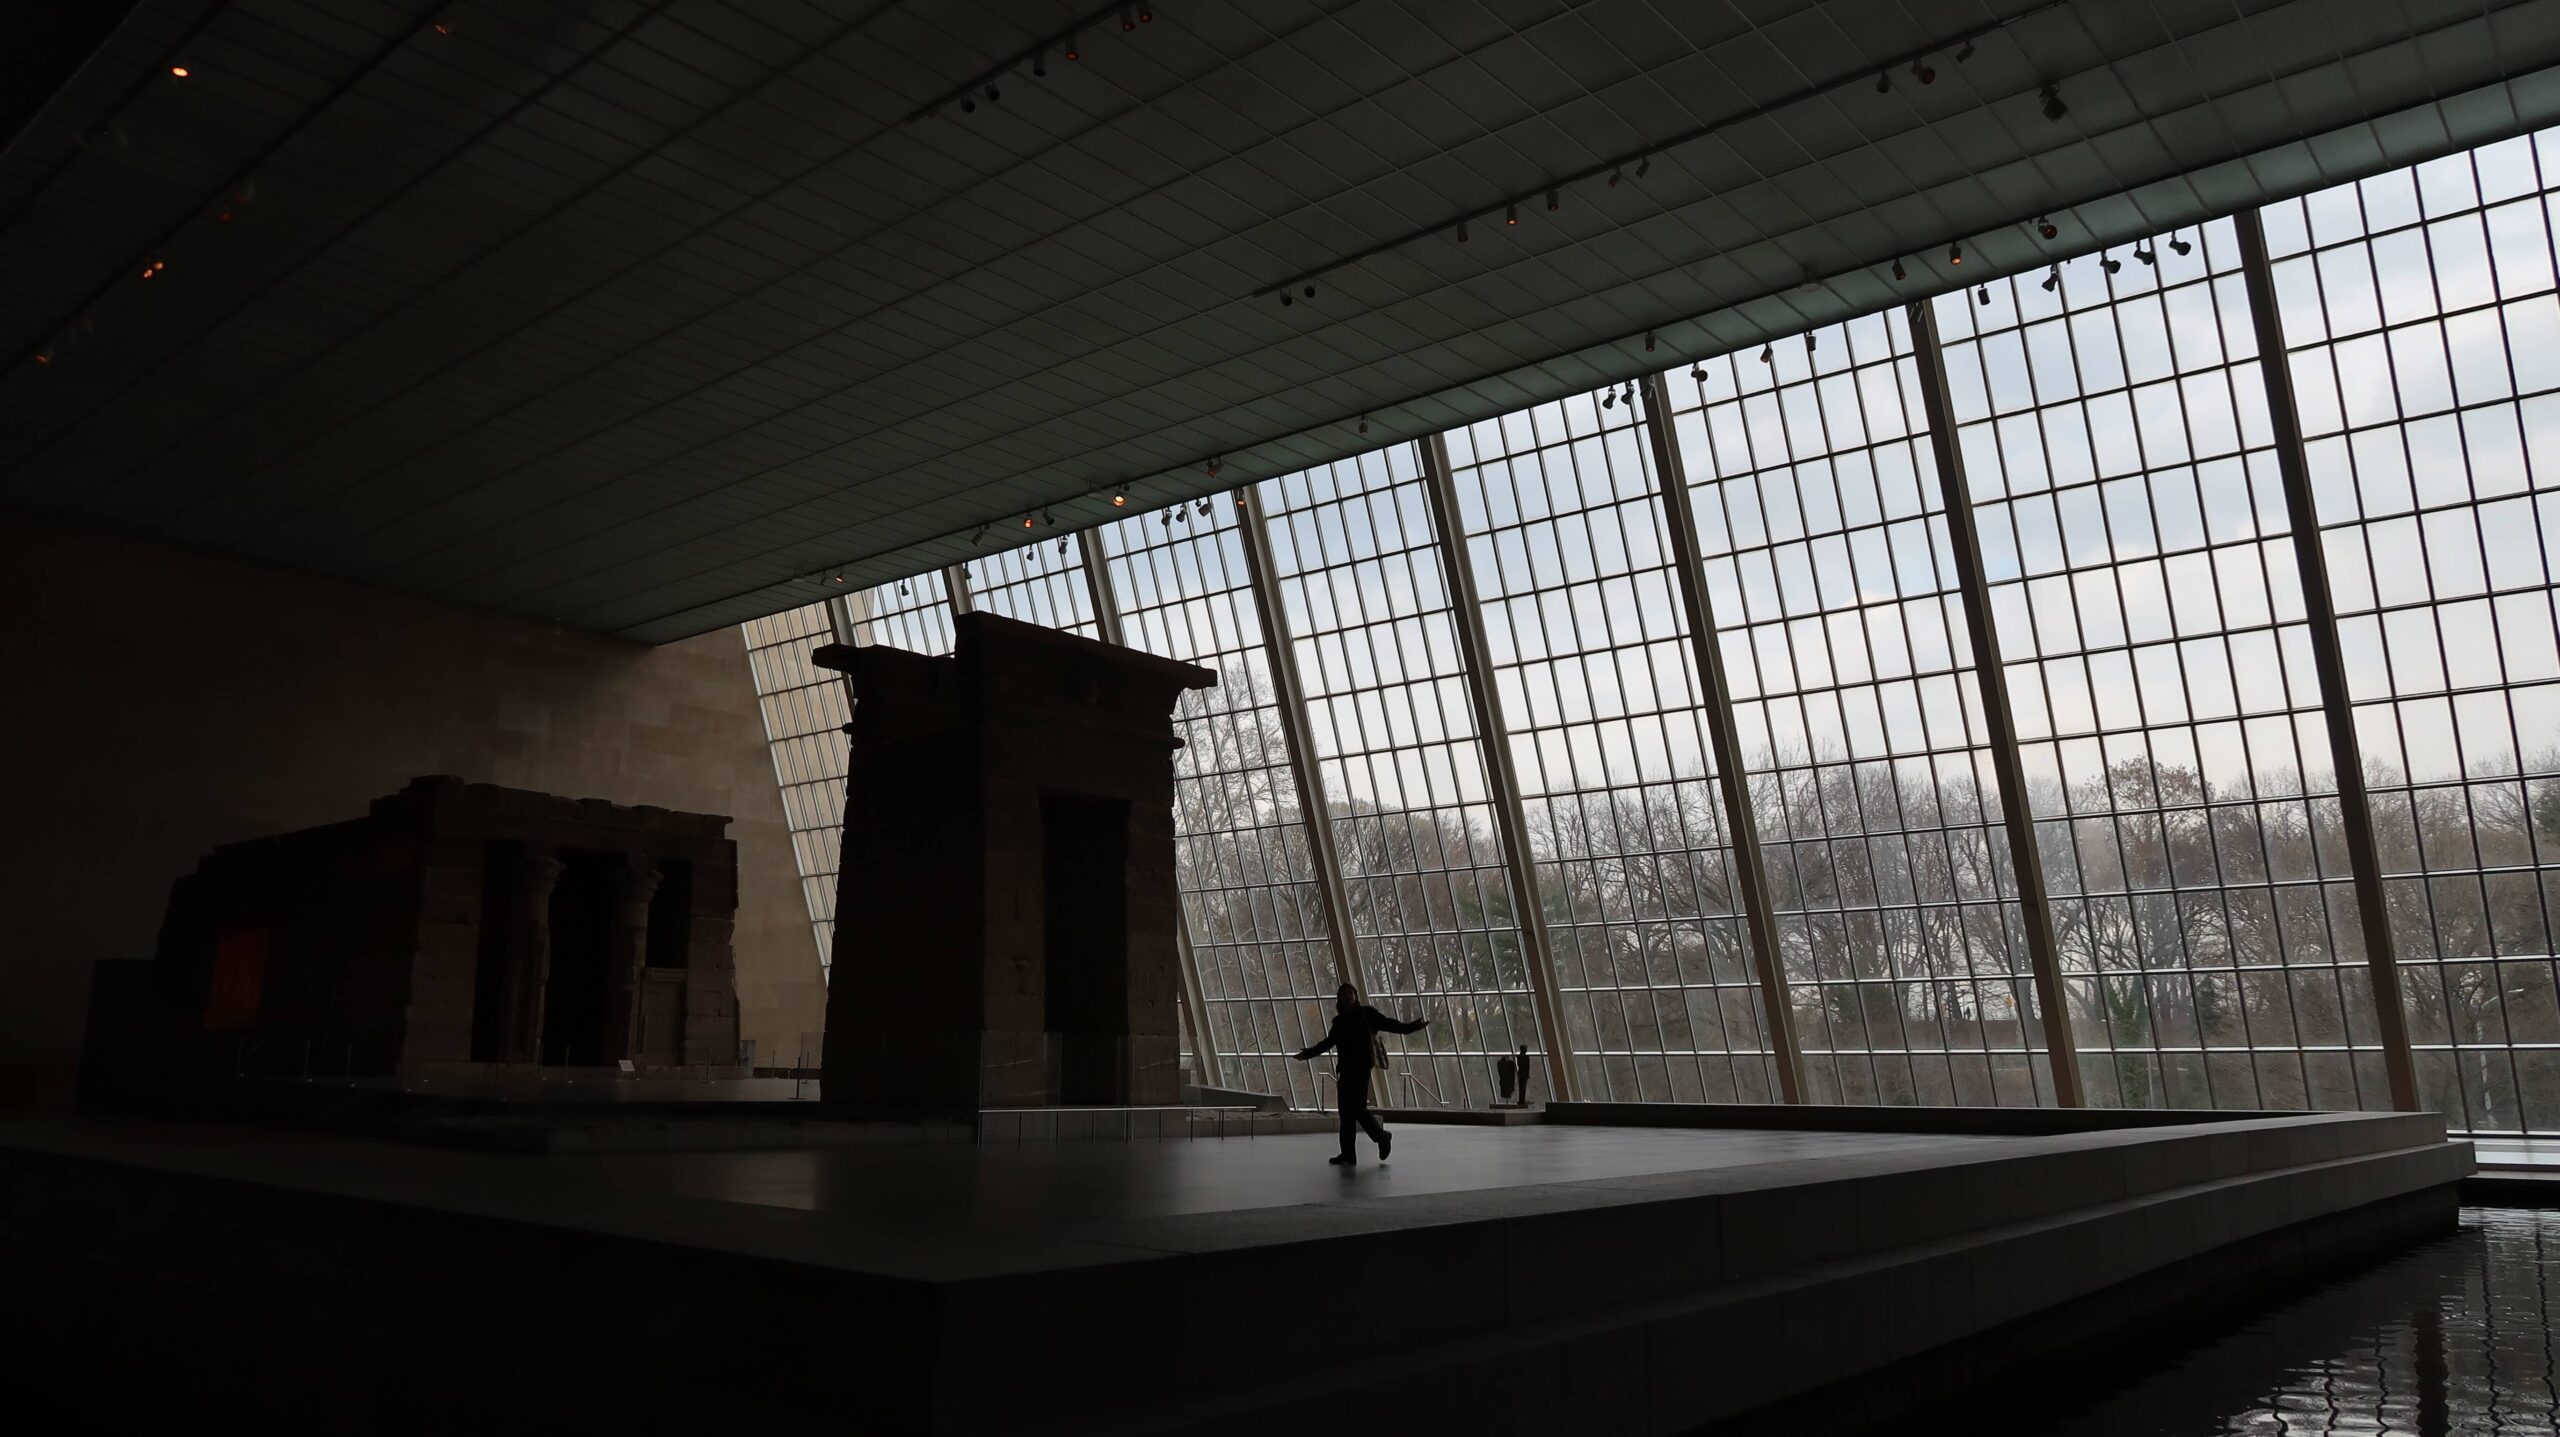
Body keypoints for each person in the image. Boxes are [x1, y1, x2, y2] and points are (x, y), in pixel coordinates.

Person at [1292, 983, 1429, 1166]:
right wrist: (1307, 1054)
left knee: (1356, 1109)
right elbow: (1328, 1043)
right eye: (1345, 994)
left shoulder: (1367, 1014)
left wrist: (1412, 1027)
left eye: (1351, 993)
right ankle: (1349, 1154)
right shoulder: (1339, 1022)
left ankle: (1381, 1136)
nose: (1348, 996)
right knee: (1346, 1114)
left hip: (1361, 1069)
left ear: (1355, 996)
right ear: (1340, 999)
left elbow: (1390, 1024)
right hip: (1346, 1070)